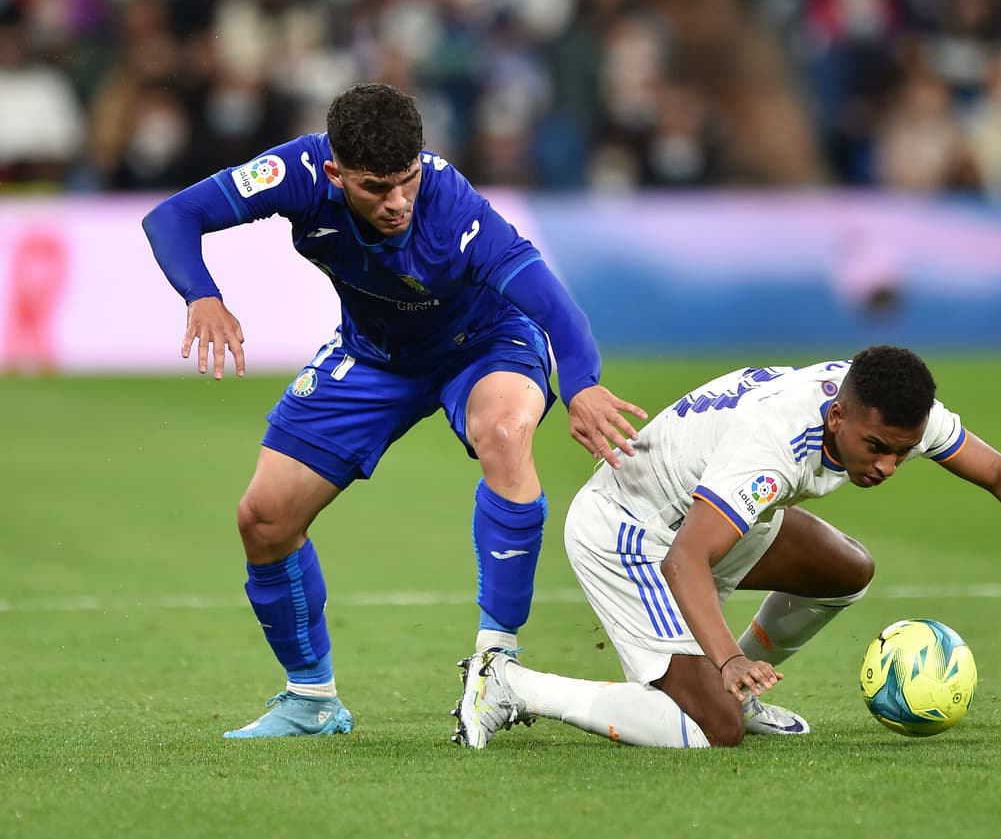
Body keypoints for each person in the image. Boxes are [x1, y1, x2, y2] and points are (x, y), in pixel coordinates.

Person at [142, 83, 646, 738]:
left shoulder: (455, 211)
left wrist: (580, 384)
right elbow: (171, 217)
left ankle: (498, 665)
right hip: (375, 355)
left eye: (406, 180)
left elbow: (553, 305)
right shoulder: (295, 173)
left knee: (502, 429)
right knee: (263, 519)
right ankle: (311, 699)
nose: (398, 202)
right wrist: (201, 295)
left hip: (485, 345)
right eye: (378, 188)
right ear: (334, 172)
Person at [451, 345, 1001, 748]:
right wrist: (726, 659)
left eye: (902, 452)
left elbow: (995, 470)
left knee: (846, 569)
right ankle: (507, 684)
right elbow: (683, 557)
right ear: (838, 415)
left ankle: (726, 686)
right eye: (875, 448)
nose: (886, 467)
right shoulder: (773, 445)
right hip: (631, 530)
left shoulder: (891, 409)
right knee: (709, 732)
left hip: (716, 516)